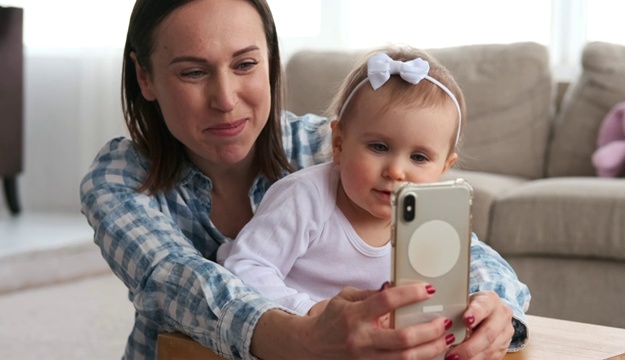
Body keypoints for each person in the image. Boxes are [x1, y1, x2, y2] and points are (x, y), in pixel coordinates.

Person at [79, 0, 529, 359]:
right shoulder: (122, 177)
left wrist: (492, 305)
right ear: (145, 76)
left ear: (271, 63)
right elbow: (174, 280)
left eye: (245, 65)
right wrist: (307, 329)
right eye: (193, 72)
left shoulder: (333, 146)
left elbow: (467, 254)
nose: (226, 99)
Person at [220, 47, 530, 358]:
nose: (396, 170)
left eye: (419, 157)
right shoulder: (305, 197)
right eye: (379, 147)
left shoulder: (429, 221)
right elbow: (245, 267)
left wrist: (471, 319)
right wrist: (309, 310)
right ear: (339, 144)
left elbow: (474, 272)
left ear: (443, 168)